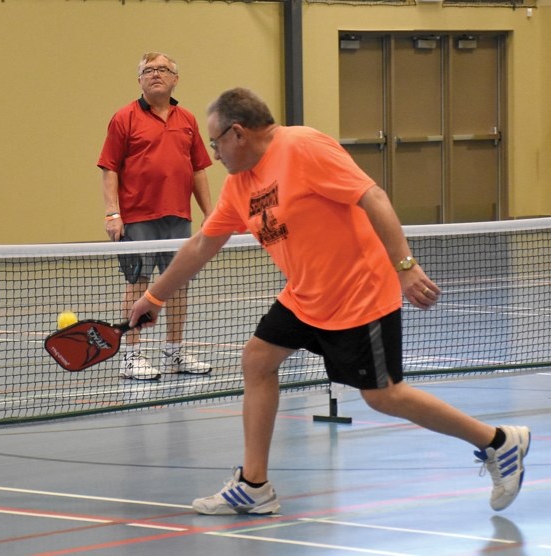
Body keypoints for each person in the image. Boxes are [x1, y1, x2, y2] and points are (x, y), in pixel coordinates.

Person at [129, 88, 530, 514]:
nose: (214, 153)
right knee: (257, 360)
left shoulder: (302, 147)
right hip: (306, 295)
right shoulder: (238, 185)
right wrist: (155, 296)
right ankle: (254, 484)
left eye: (216, 143)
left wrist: (405, 266)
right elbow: (201, 245)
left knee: (383, 396)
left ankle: (498, 442)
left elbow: (371, 196)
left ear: (238, 133)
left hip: (358, 293)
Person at [97, 52, 214, 380]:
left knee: (178, 286)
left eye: (163, 69)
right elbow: (109, 168)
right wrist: (112, 213)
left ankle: (175, 353)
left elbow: (198, 170)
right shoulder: (124, 118)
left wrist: (210, 213)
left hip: (178, 218)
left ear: (175, 79)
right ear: (140, 81)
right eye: (148, 71)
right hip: (137, 218)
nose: (156, 74)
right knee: (138, 285)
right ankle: (132, 356)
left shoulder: (187, 119)